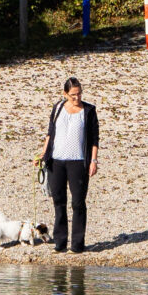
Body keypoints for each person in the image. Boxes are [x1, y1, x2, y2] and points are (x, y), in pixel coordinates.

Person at [39, 75, 99, 254]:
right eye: (73, 95)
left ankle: (77, 244)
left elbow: (94, 138)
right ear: (65, 94)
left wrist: (93, 160)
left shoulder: (89, 111)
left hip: (78, 162)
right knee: (59, 201)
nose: (77, 98)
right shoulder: (58, 108)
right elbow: (50, 133)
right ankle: (60, 242)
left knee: (78, 202)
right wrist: (43, 154)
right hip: (56, 161)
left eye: (79, 94)